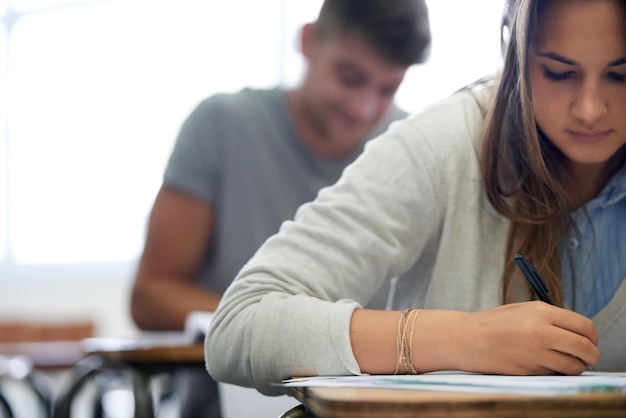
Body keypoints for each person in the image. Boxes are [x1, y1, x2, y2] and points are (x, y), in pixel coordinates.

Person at [206, 0, 626, 397]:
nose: (590, 110)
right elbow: (239, 325)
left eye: (620, 75)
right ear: (515, 55)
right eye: (559, 72)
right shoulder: (444, 144)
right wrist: (464, 340)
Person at [130, 0, 431, 416]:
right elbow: (150, 296)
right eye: (349, 77)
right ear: (308, 41)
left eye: (386, 89)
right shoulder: (220, 126)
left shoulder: (414, 151)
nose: (363, 107)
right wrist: (275, 330)